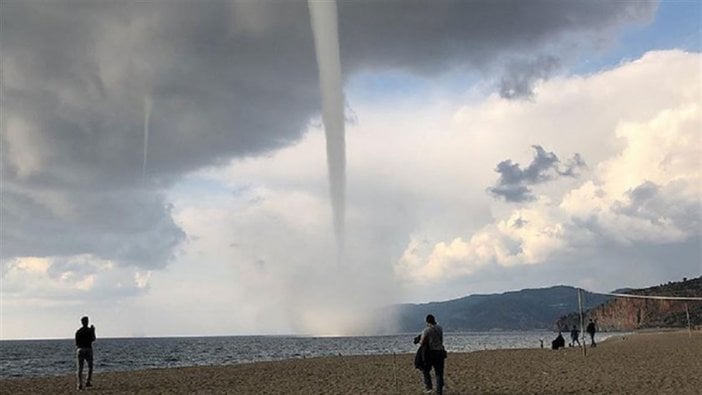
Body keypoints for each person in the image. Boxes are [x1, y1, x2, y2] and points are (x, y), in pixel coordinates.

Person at [416, 314, 447, 395]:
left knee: (425, 370)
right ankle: (439, 392)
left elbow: (422, 342)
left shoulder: (426, 330)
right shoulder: (440, 328)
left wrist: (418, 340)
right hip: (440, 352)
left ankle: (429, 388)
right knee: (439, 373)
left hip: (431, 353)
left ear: (427, 321)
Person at [75, 316, 96, 390]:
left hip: (80, 349)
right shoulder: (89, 331)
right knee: (90, 366)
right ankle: (88, 381)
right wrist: (93, 330)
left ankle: (79, 384)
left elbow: (76, 343)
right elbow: (93, 339)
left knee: (80, 368)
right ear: (87, 322)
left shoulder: (78, 331)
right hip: (88, 349)